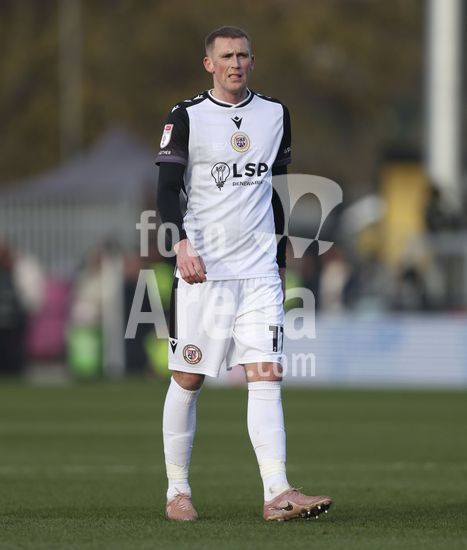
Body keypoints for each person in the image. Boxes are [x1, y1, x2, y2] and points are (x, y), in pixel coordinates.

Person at [156, 25, 332, 522]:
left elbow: (273, 190)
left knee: (267, 373)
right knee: (188, 378)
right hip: (205, 273)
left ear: (253, 61)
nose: (236, 63)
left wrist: (279, 261)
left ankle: (277, 492)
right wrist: (181, 245)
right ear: (209, 64)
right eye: (227, 56)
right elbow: (166, 190)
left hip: (259, 273)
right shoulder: (186, 116)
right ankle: (177, 491)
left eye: (243, 55)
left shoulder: (275, 114)